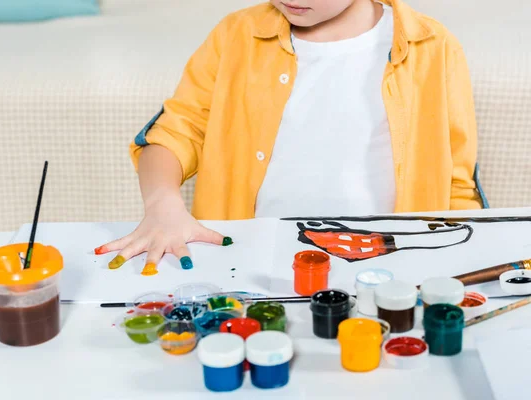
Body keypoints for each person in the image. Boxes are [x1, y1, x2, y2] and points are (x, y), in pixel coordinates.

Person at [96, 0, 486, 272]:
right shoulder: (235, 35)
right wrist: (162, 202)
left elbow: (457, 183)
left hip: (390, 267)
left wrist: (456, 263)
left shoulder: (434, 46)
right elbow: (175, 132)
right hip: (247, 262)